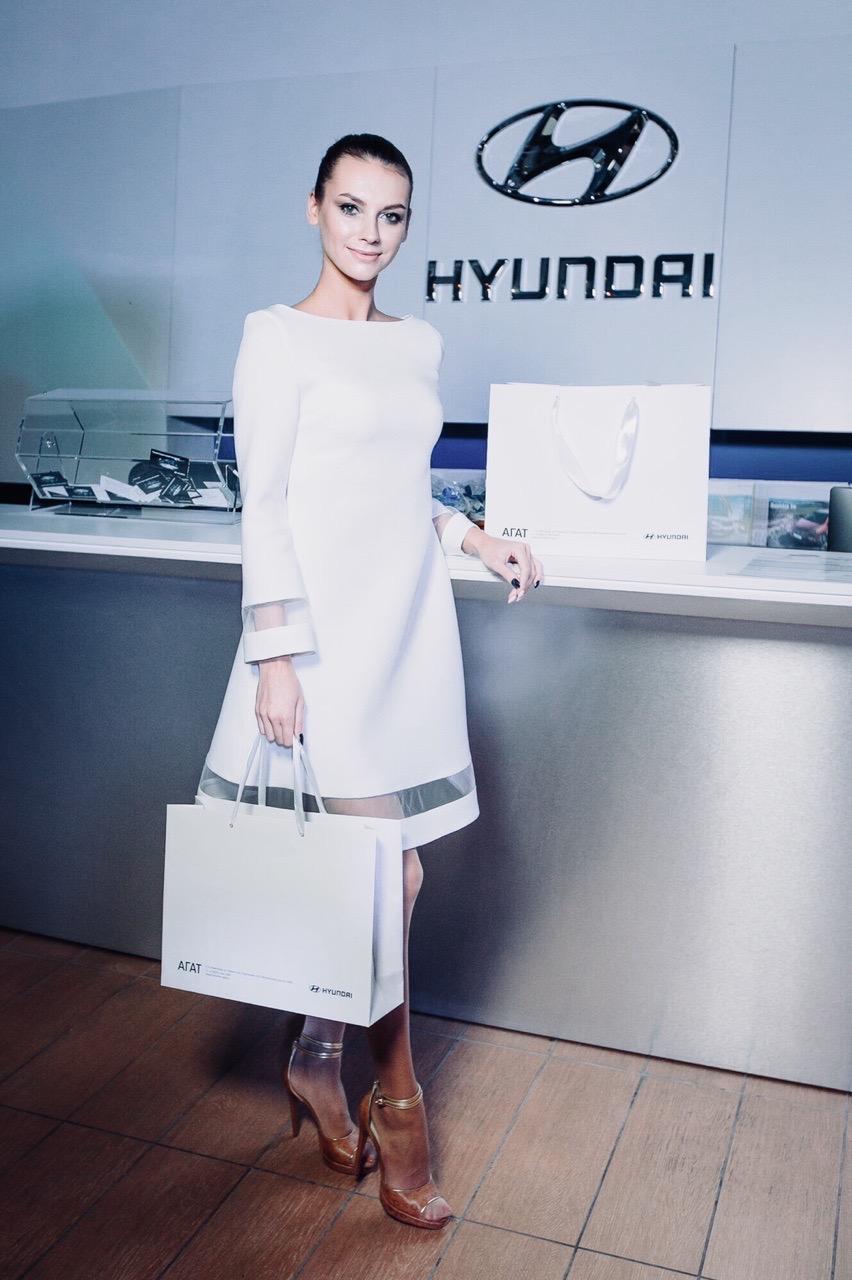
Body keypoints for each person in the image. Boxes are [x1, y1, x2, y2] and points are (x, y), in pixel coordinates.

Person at [198, 133, 542, 1230]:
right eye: (351, 208)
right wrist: (275, 656)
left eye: (391, 215)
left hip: (404, 633)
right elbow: (266, 504)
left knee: (399, 878)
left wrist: (475, 535)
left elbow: (398, 487)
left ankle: (314, 1051)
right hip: (318, 644)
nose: (370, 232)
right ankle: (400, 1106)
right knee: (384, 879)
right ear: (315, 209)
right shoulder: (274, 336)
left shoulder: (419, 342)